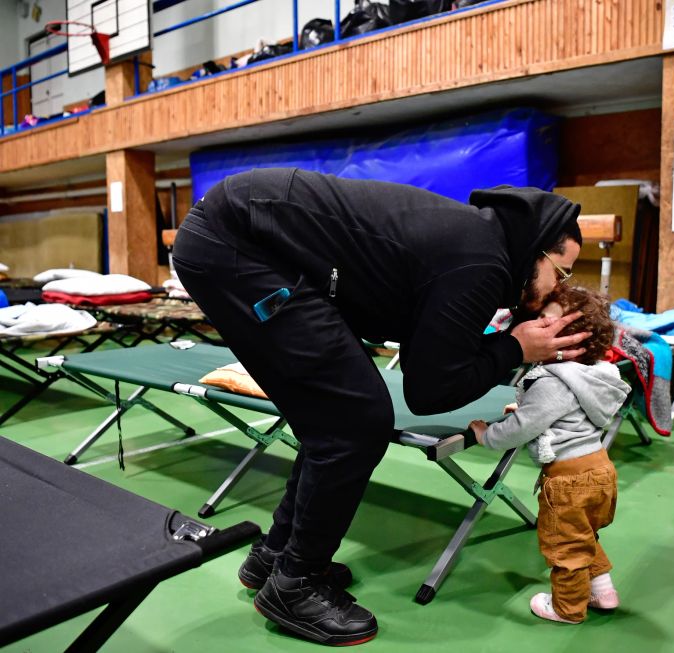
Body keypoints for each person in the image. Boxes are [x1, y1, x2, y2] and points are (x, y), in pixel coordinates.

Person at [172, 167, 589, 646]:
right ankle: (295, 585)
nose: (558, 288)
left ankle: (277, 555)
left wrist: (506, 344)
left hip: (247, 237)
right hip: (236, 242)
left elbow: (427, 357)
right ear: (533, 248)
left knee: (331, 416)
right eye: (560, 272)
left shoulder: (480, 247)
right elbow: (429, 391)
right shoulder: (482, 263)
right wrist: (515, 349)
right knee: (356, 419)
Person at [468, 285, 630, 625]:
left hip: (569, 480)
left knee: (565, 545)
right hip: (599, 470)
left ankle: (568, 609)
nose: (537, 326)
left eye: (546, 321)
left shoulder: (553, 380)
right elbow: (564, 411)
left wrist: (487, 435)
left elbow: (520, 429)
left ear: (569, 341)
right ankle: (603, 590)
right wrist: (531, 407)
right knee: (582, 534)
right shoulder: (590, 374)